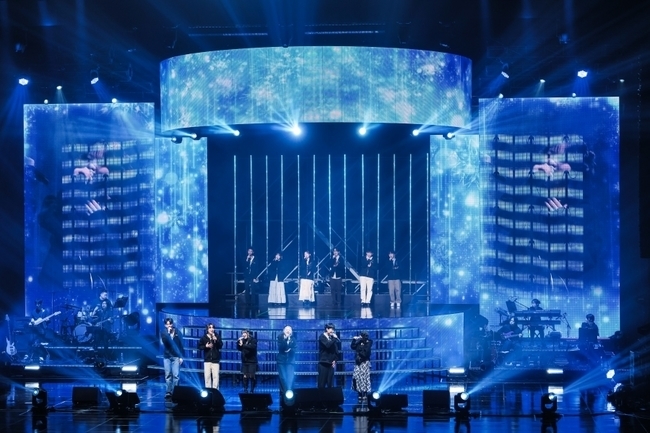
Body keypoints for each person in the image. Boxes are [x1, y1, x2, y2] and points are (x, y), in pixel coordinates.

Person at [161, 318, 184, 400]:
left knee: (176, 375)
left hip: (176, 356)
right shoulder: (163, 333)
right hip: (167, 356)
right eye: (167, 324)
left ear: (172, 324)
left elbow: (181, 345)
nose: (169, 326)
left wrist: (181, 357)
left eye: (170, 324)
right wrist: (168, 333)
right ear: (165, 325)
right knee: (168, 375)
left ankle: (175, 392)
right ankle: (168, 392)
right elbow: (165, 342)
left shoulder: (178, 332)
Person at [198, 323, 223, 389]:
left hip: (215, 360)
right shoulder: (204, 337)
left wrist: (216, 340)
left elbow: (220, 345)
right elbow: (199, 346)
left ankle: (215, 391)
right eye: (210, 327)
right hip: (207, 360)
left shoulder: (217, 336)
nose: (212, 329)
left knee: (216, 377)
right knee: (207, 377)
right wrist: (205, 346)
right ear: (207, 329)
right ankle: (208, 391)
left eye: (213, 327)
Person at [351, 331, 373, 402]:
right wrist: (354, 340)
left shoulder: (369, 342)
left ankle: (365, 393)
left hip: (364, 362)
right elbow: (353, 347)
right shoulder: (359, 342)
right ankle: (359, 393)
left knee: (365, 378)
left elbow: (365, 353)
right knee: (357, 377)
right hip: (358, 363)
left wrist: (359, 350)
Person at [318, 323, 340, 388]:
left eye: (333, 330)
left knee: (330, 385)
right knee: (322, 384)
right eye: (331, 329)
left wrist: (335, 360)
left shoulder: (332, 338)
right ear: (327, 329)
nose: (332, 331)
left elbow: (336, 350)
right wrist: (334, 339)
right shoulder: (322, 337)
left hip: (331, 364)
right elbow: (327, 345)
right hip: (323, 363)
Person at [277, 326, 296, 396]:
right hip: (281, 361)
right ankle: (284, 392)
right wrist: (285, 339)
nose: (288, 331)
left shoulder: (293, 339)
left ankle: (289, 391)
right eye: (287, 329)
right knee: (283, 377)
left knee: (290, 377)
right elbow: (281, 347)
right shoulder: (280, 337)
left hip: (290, 361)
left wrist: (290, 350)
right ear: (283, 331)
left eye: (290, 330)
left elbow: (295, 349)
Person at [237, 329, 258, 393]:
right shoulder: (242, 340)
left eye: (245, 333)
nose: (243, 334)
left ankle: (252, 389)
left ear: (248, 334)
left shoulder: (253, 340)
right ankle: (245, 389)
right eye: (242, 333)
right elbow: (239, 348)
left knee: (251, 375)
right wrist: (238, 343)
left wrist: (243, 345)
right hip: (245, 360)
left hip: (252, 361)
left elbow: (252, 347)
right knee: (245, 375)